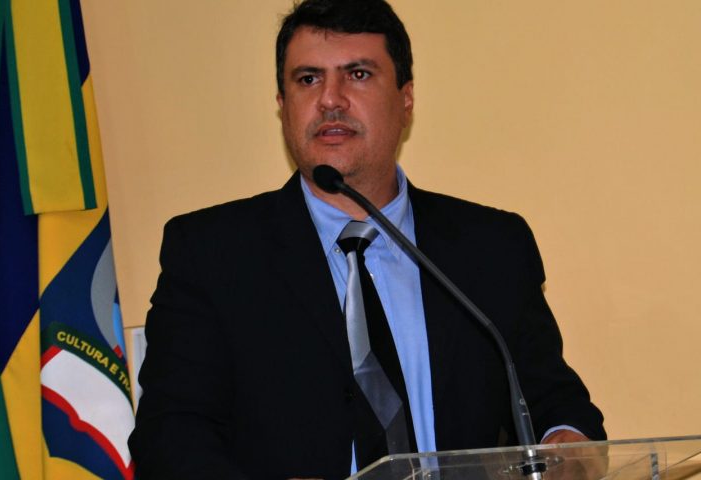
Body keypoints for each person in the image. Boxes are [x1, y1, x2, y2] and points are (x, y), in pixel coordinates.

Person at [128, 0, 605, 479]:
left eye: (358, 75)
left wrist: (570, 446)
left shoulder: (491, 248)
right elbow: (169, 437)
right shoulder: (213, 255)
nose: (330, 100)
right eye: (308, 79)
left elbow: (556, 406)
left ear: (406, 99)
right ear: (282, 105)